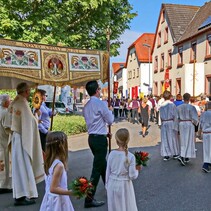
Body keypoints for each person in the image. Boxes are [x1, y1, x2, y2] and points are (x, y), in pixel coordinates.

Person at [5, 82, 44, 206]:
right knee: (22, 166)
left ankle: (20, 193)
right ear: (25, 91)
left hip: (17, 137)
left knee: (18, 167)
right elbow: (30, 122)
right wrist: (37, 116)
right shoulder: (22, 103)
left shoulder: (13, 103)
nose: (29, 93)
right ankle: (23, 194)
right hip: (22, 139)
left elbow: (7, 123)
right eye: (28, 90)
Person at [83, 80, 114, 208]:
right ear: (97, 90)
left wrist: (104, 132)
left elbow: (94, 123)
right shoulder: (100, 104)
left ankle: (110, 188)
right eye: (99, 89)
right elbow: (110, 120)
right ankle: (89, 199)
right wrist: (110, 110)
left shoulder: (86, 105)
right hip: (99, 140)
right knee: (97, 169)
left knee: (102, 166)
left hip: (92, 137)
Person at [106, 128, 140, 211]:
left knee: (114, 207)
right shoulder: (131, 156)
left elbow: (108, 172)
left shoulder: (112, 154)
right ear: (128, 140)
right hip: (124, 185)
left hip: (112, 183)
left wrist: (107, 185)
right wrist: (137, 170)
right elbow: (132, 175)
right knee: (125, 206)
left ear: (116, 141)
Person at [40, 131, 74, 211]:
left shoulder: (49, 162)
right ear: (60, 146)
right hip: (58, 202)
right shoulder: (59, 166)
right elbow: (53, 188)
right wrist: (70, 192)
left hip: (50, 198)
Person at [177, 93, 198, 166]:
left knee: (183, 140)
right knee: (189, 140)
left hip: (181, 124)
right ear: (189, 99)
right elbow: (195, 118)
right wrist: (195, 123)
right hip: (189, 124)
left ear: (183, 98)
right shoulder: (191, 107)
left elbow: (176, 118)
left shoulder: (179, 107)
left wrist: (177, 128)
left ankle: (186, 156)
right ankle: (182, 156)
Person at [159, 91, 179, 161]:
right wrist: (176, 125)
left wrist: (160, 124)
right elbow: (175, 115)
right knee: (173, 137)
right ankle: (175, 153)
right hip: (171, 122)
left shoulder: (161, 105)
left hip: (164, 122)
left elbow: (160, 116)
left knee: (165, 138)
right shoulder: (172, 105)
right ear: (170, 96)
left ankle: (166, 154)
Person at [0, 94, 12, 193]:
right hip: (3, 141)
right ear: (5, 102)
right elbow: (8, 128)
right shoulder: (5, 112)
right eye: (9, 100)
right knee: (4, 163)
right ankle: (3, 185)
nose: (10, 101)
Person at [199, 101, 211, 173]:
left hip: (205, 133)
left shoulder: (203, 114)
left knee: (206, 149)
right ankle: (207, 164)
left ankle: (207, 163)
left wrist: (199, 133)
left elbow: (200, 124)